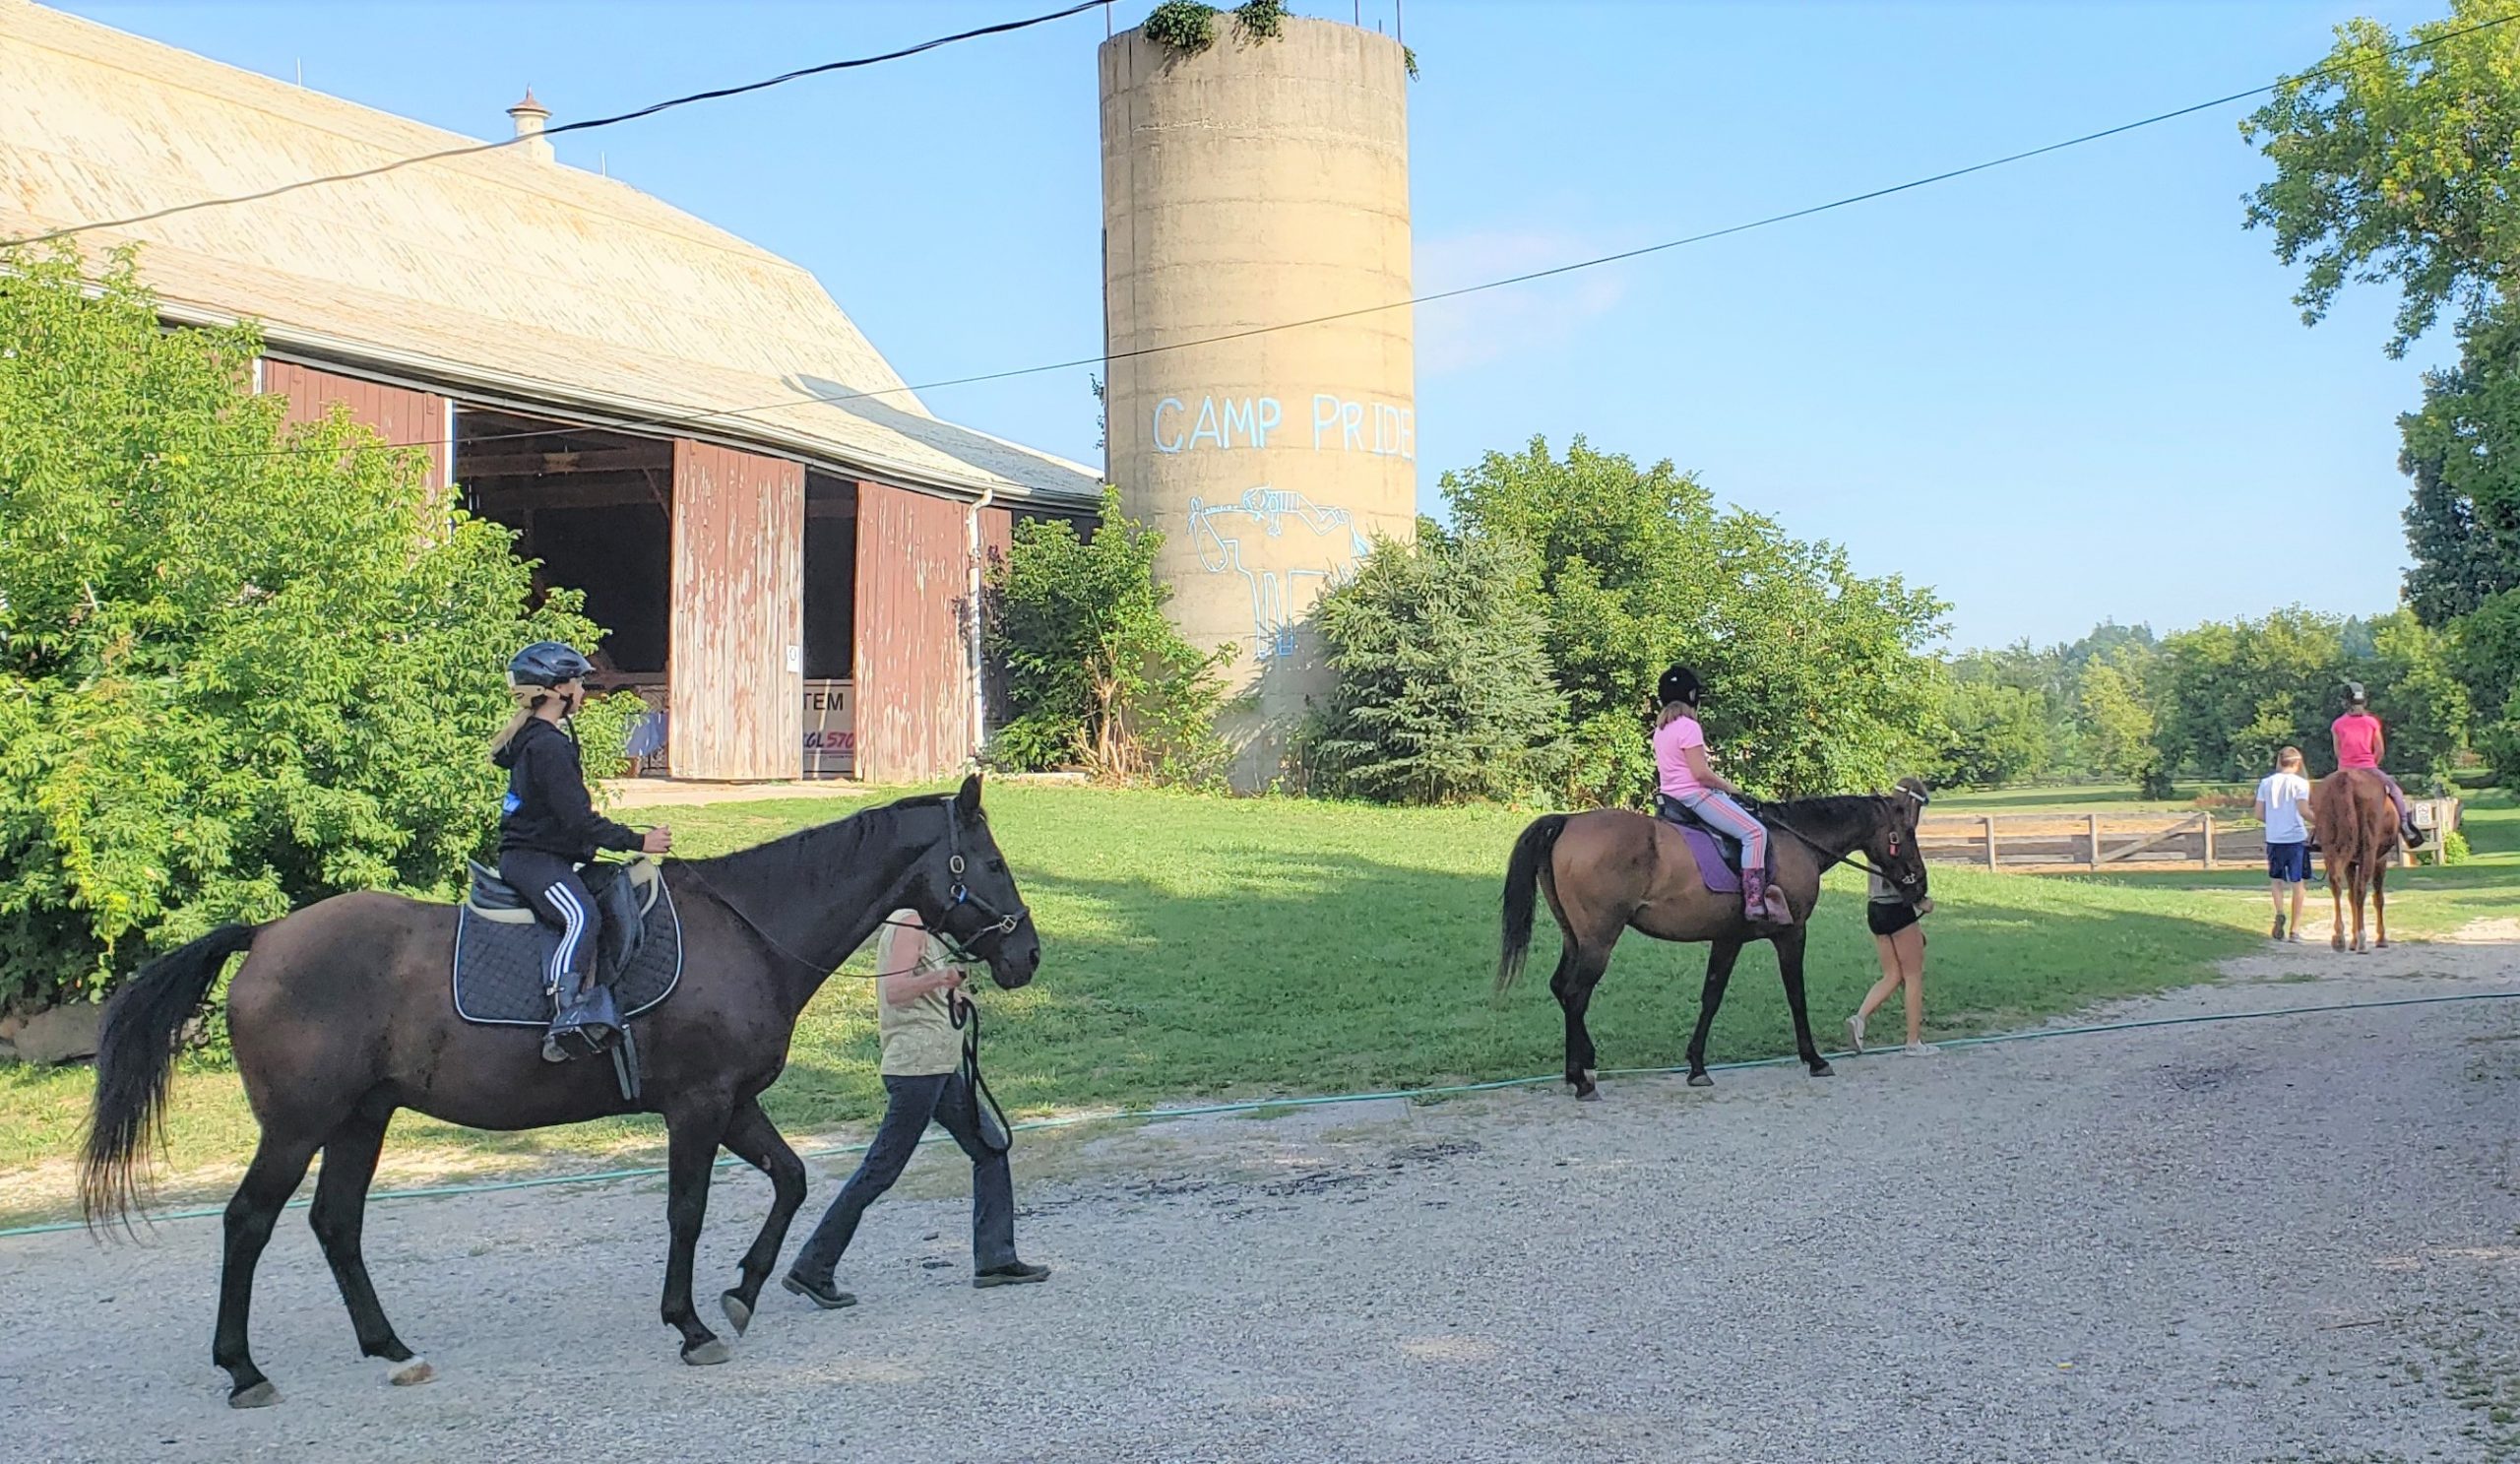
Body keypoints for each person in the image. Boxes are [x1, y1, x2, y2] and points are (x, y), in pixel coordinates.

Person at [785, 909, 1049, 1308]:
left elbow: (917, 990)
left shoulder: (927, 927)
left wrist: (950, 994)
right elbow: (896, 989)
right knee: (880, 1170)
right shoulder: (908, 922)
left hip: (938, 1066)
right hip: (916, 1070)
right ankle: (812, 1266)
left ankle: (996, 1258)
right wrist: (943, 978)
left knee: (990, 1147)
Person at [491, 640, 671, 1063]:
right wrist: (639, 841)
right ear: (556, 691)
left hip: (550, 855)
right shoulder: (546, 746)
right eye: (576, 682)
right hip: (532, 861)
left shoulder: (545, 738)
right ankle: (566, 1015)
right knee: (580, 915)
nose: (582, 690)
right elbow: (579, 820)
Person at [1651, 666, 1792, 926]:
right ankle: (1754, 901)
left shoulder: (1661, 729)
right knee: (1755, 833)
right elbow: (1701, 774)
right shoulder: (1689, 727)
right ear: (1692, 696)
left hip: (1670, 798)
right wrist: (1732, 789)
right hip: (1695, 797)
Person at [1845, 781, 1937, 1055]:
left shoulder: (1877, 826)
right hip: (1897, 908)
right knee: (1913, 975)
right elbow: (1900, 874)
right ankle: (1913, 1041)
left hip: (1875, 908)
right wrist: (1920, 900)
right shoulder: (1898, 831)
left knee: (1892, 974)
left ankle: (1859, 1019)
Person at [2331, 682, 2425, 849]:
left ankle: (2316, 834)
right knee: (2395, 791)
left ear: (2345, 703)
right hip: (2369, 767)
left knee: (2325, 798)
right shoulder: (2372, 722)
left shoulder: (2338, 724)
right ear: (2364, 702)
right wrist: (2371, 764)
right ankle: (2405, 826)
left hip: (2345, 769)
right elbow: (2379, 749)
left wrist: (2347, 766)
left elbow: (2337, 751)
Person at [2255, 745, 2314, 943]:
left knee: (2276, 880)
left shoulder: (2266, 783)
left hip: (2274, 838)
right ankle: (2295, 929)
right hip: (2295, 837)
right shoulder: (2300, 784)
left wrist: (2274, 822)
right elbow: (2304, 811)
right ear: (2297, 763)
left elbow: (2259, 814)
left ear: (2280, 762)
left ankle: (2280, 911)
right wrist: (2321, 823)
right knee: (2298, 883)